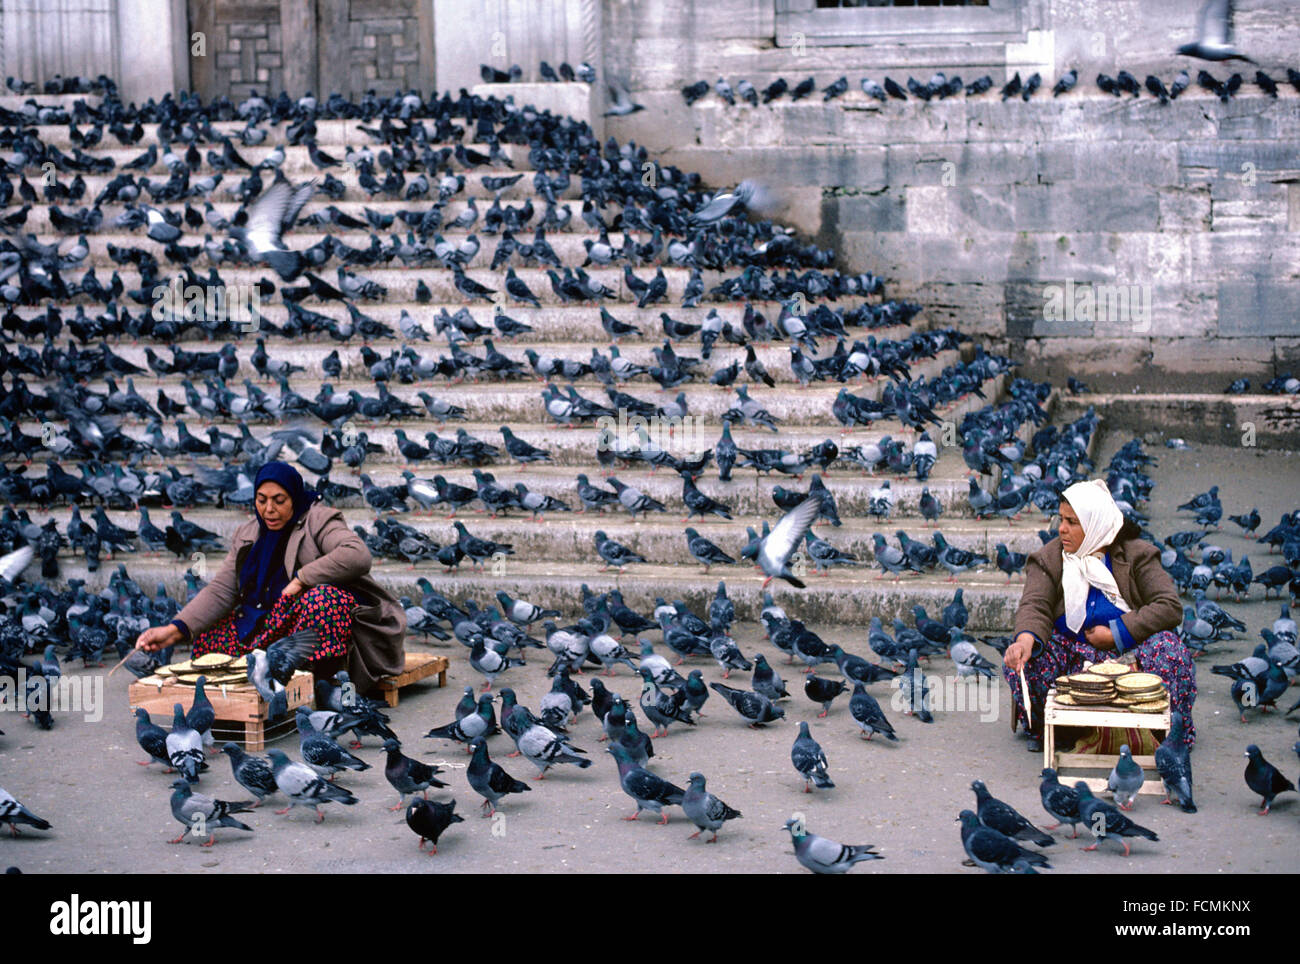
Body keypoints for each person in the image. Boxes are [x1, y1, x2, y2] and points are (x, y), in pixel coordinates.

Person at [135, 462, 405, 695]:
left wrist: (302, 578)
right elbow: (222, 590)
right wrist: (174, 630)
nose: (269, 510)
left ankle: (320, 680)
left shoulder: (319, 520)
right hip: (267, 624)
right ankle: (269, 677)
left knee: (323, 600)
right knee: (206, 642)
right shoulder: (249, 531)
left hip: (303, 624)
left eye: (279, 500)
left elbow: (357, 555)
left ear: (294, 498)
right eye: (261, 500)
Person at [1001, 478, 1194, 751]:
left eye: (1072, 522)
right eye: (1061, 519)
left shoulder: (1137, 555)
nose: (1062, 529)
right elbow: (1035, 605)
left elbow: (1168, 606)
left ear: (1095, 523)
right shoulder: (1050, 557)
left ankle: (1162, 734)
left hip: (1131, 655)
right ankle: (1060, 731)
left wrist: (1117, 633)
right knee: (1024, 661)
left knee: (1170, 650)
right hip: (1075, 657)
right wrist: (1024, 641)